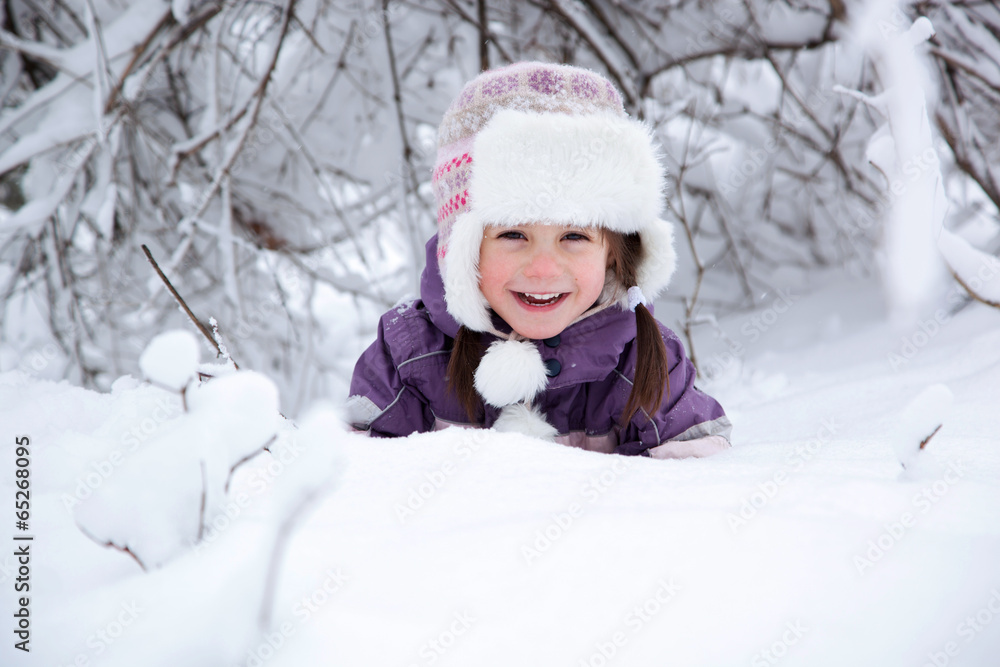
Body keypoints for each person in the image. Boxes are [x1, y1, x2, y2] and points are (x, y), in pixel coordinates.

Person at [347, 61, 731, 458]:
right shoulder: (413, 355)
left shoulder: (642, 361)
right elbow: (363, 483)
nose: (543, 269)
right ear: (462, 249)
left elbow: (694, 484)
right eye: (513, 234)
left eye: (574, 236)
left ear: (614, 255)